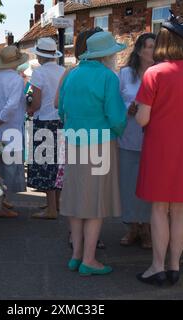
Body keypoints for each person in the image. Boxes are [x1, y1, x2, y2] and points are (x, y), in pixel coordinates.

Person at [134, 12, 183, 286]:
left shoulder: (154, 72)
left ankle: (157, 267)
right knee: (179, 210)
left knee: (158, 209)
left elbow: (143, 118)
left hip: (158, 148)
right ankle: (174, 266)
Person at [58, 31, 127, 276]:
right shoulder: (108, 77)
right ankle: (89, 259)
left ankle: (76, 255)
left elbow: (61, 108)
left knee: (76, 199)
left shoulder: (72, 73)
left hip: (74, 139)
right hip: (100, 142)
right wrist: (120, 131)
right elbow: (117, 116)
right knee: (96, 201)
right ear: (106, 56)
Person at [0, 46, 29, 218]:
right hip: (11, 128)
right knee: (8, 167)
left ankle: (0, 201)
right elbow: (12, 105)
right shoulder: (16, 79)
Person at [118, 33, 155, 250]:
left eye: (155, 47)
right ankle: (132, 227)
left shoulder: (160, 74)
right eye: (149, 46)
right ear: (140, 50)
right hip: (129, 135)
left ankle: (147, 228)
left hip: (153, 137)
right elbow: (116, 101)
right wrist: (127, 108)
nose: (153, 50)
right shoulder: (125, 74)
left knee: (149, 183)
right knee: (129, 184)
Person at [26, 38, 65, 220]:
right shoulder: (63, 71)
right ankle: (56, 204)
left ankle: (51, 209)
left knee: (46, 164)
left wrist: (30, 109)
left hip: (45, 121)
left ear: (40, 55)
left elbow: (37, 101)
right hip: (61, 121)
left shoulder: (39, 73)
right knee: (58, 163)